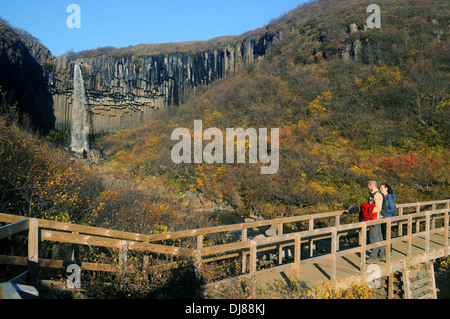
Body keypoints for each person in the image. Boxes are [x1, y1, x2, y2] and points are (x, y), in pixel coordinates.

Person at [366, 180, 386, 263]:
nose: (368, 186)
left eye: (368, 185)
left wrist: (368, 209)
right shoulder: (374, 194)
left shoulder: (376, 195)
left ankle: (373, 257)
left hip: (375, 218)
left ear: (371, 185)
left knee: (373, 237)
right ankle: (382, 255)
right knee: (379, 237)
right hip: (376, 218)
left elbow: (378, 207)